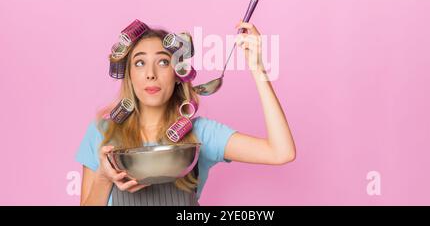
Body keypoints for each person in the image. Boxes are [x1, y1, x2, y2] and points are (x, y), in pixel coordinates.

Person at [76, 20, 296, 205]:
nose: (151, 74)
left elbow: (281, 152)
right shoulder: (102, 133)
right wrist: (104, 178)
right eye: (140, 62)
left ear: (178, 73)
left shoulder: (200, 133)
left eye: (163, 62)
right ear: (129, 75)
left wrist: (258, 68)